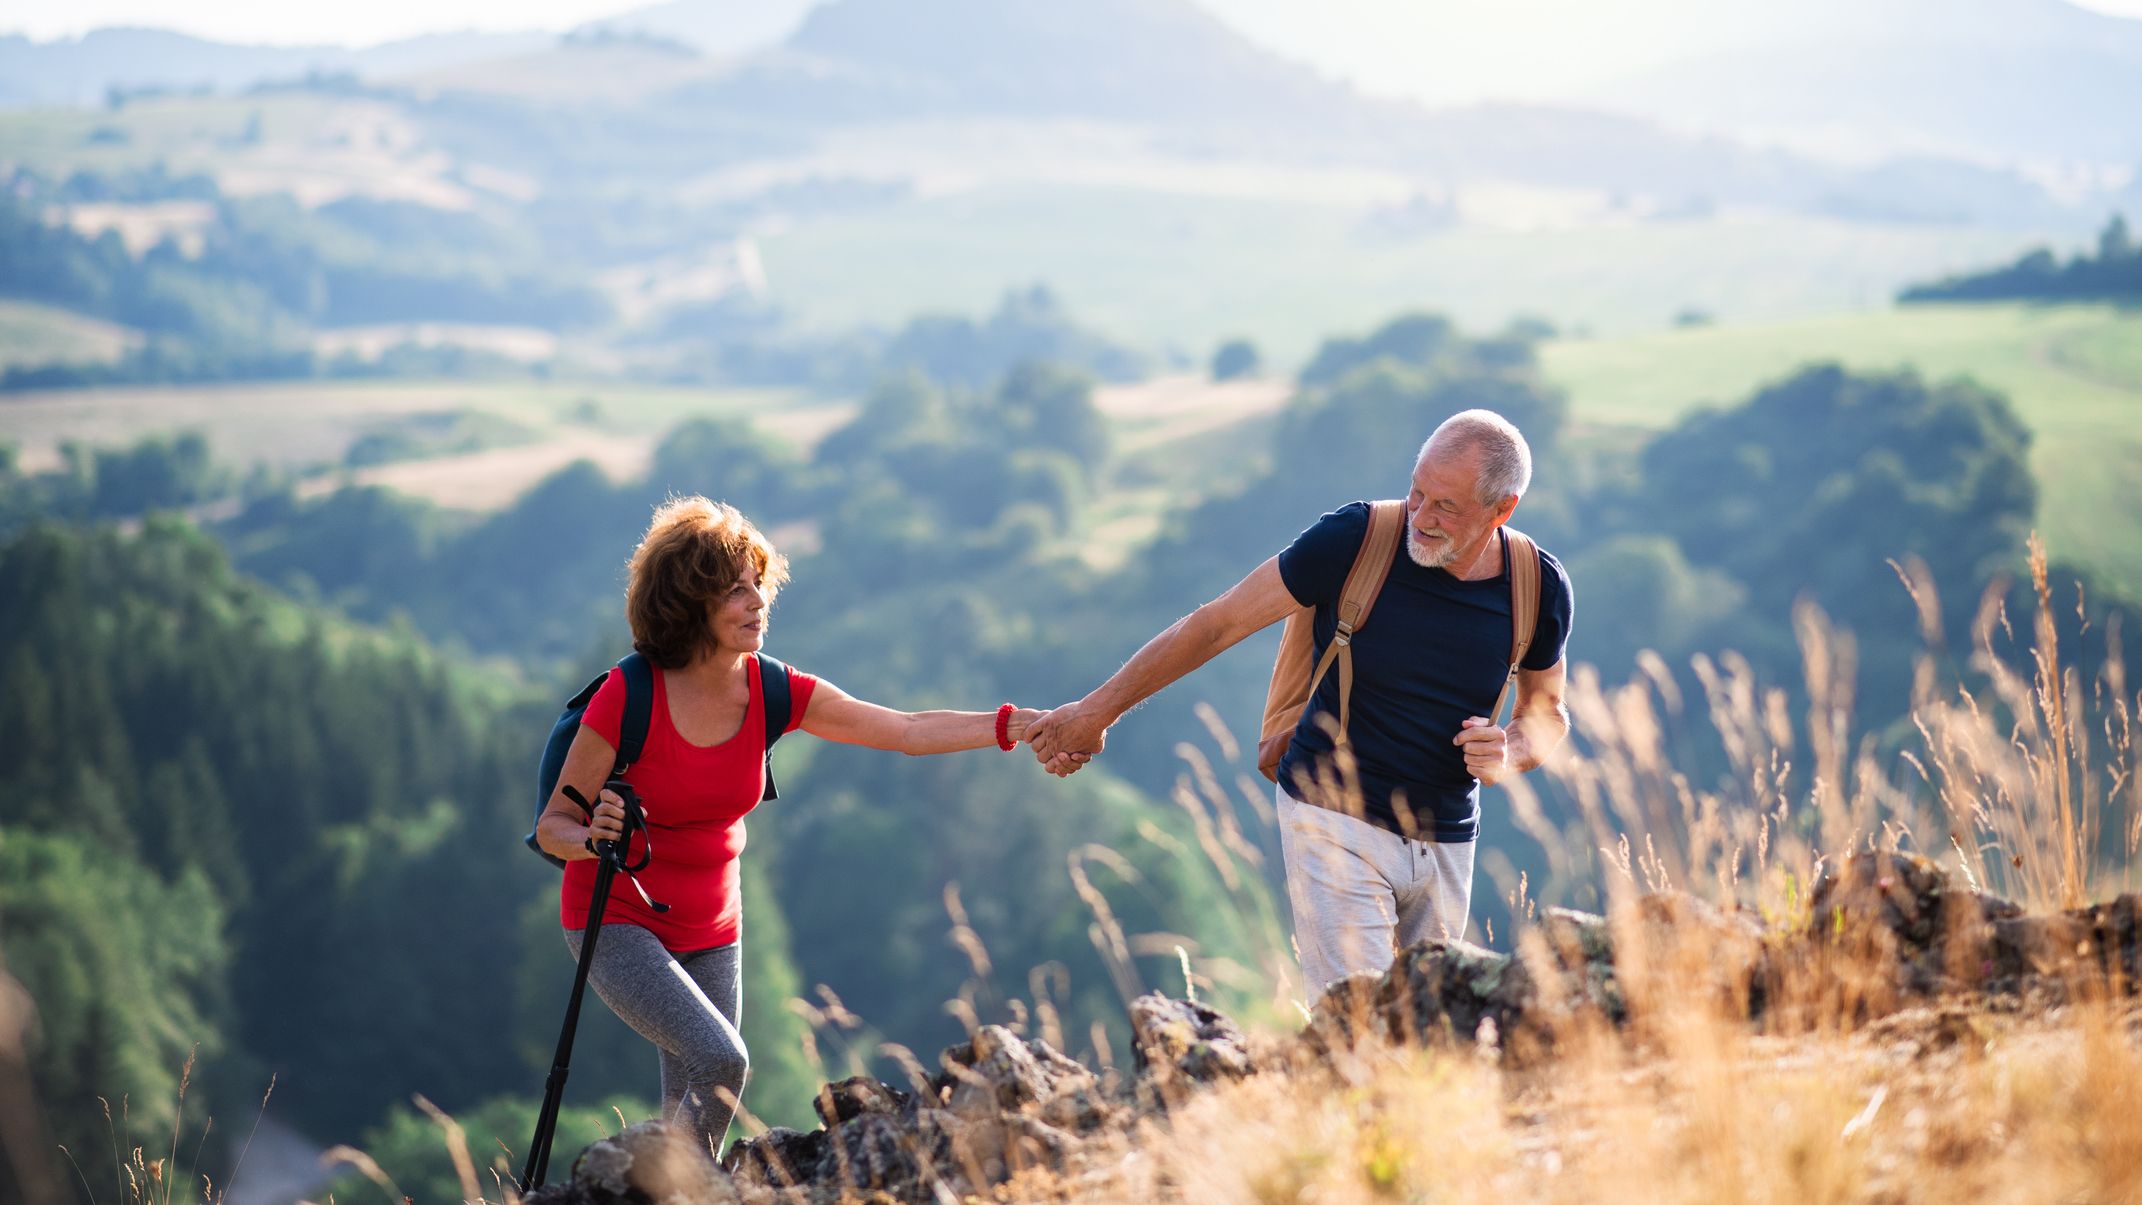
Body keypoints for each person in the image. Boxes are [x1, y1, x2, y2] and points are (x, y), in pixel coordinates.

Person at [533, 495, 1048, 1159]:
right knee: (723, 1061)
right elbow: (553, 826)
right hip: (619, 923)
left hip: (715, 926)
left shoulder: (772, 690)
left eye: (758, 585)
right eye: (733, 591)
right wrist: (593, 837)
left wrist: (1011, 724)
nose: (756, 602)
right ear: (689, 601)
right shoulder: (629, 694)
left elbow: (907, 729)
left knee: (699, 1109)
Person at [1027, 409, 1573, 997]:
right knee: (1356, 1024)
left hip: (1447, 838)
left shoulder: (1535, 585)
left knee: (1428, 1038)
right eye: (1417, 491)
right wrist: (1093, 713)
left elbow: (1546, 711)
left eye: (1446, 506)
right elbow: (1217, 624)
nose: (1421, 515)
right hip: (1332, 816)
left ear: (1502, 509)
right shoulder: (1353, 540)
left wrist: (1511, 751)